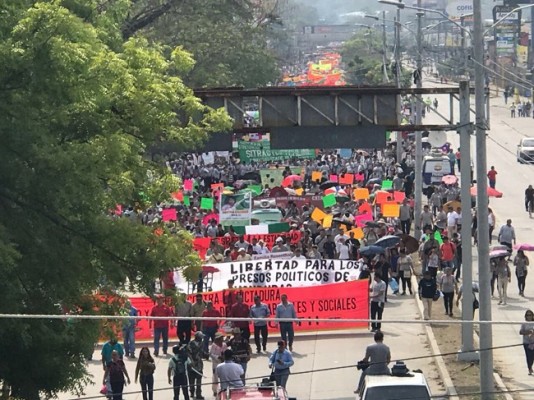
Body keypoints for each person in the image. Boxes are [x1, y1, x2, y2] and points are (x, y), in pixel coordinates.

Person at [187, 332, 205, 400]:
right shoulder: (191, 344)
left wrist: (205, 354)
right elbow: (188, 354)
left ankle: (198, 394)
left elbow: (201, 353)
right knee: (191, 379)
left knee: (199, 380)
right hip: (192, 365)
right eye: (201, 337)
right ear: (197, 337)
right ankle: (192, 392)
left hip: (199, 364)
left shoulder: (201, 343)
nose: (202, 338)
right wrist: (191, 361)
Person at [210, 333, 228, 397]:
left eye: (222, 338)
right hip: (216, 363)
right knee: (215, 378)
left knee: (224, 376)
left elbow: (226, 352)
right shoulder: (213, 345)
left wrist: (224, 357)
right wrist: (218, 357)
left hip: (223, 363)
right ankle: (215, 390)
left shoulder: (224, 344)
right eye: (220, 338)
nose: (221, 339)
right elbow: (211, 354)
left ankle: (223, 389)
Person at [520, 310, 534, 375]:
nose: (529, 317)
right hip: (526, 342)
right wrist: (528, 332)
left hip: (533, 342)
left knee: (532, 356)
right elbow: (521, 332)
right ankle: (529, 368)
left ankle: (530, 366)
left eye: (530, 315)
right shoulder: (524, 323)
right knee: (528, 356)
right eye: (528, 315)